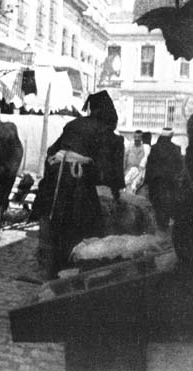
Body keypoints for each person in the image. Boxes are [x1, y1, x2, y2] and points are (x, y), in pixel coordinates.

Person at [32, 90, 124, 279]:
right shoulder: (103, 130)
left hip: (56, 185)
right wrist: (115, 189)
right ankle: (80, 273)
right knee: (88, 227)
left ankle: (54, 272)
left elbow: (52, 151)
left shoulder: (73, 124)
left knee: (59, 229)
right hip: (77, 185)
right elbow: (108, 167)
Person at [145, 128, 182, 231]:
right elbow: (180, 167)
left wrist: (147, 181)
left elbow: (149, 165)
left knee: (157, 203)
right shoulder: (176, 149)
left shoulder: (155, 148)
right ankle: (164, 224)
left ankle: (160, 224)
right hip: (170, 183)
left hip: (156, 182)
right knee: (167, 203)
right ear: (171, 137)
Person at [124, 130, 150, 194]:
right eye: (135, 137)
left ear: (141, 138)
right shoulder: (129, 147)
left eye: (139, 137)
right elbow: (125, 159)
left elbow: (143, 164)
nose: (137, 139)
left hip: (138, 173)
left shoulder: (145, 148)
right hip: (127, 171)